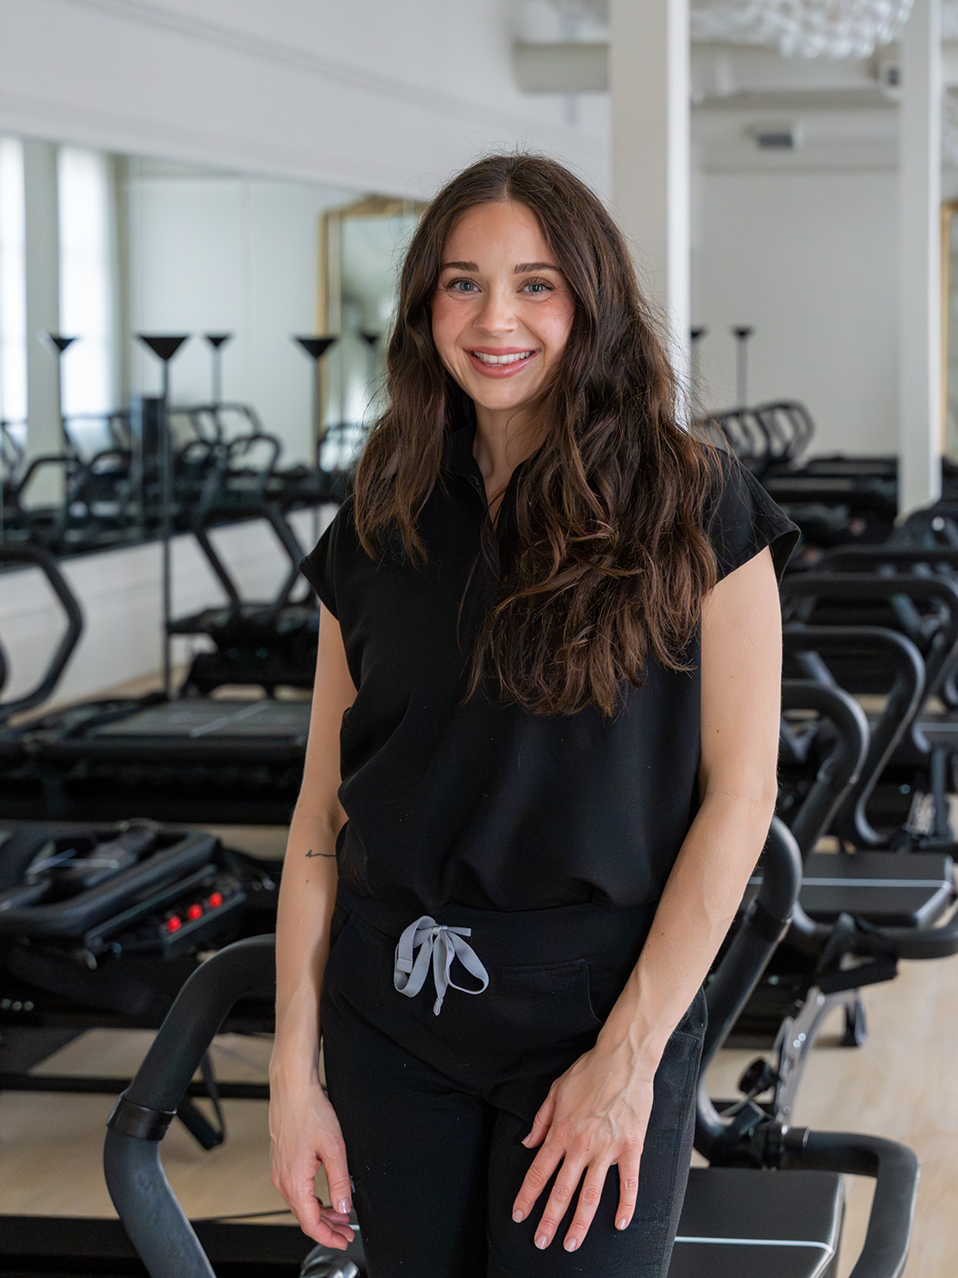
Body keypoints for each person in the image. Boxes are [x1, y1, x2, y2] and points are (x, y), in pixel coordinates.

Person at [268, 152, 799, 1278]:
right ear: (423, 307)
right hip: (392, 1014)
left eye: (535, 283)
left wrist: (630, 1058)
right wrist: (290, 1070)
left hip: (591, 1020)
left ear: (591, 302)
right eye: (461, 283)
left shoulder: (694, 503)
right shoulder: (382, 512)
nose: (493, 317)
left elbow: (741, 795)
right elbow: (323, 811)